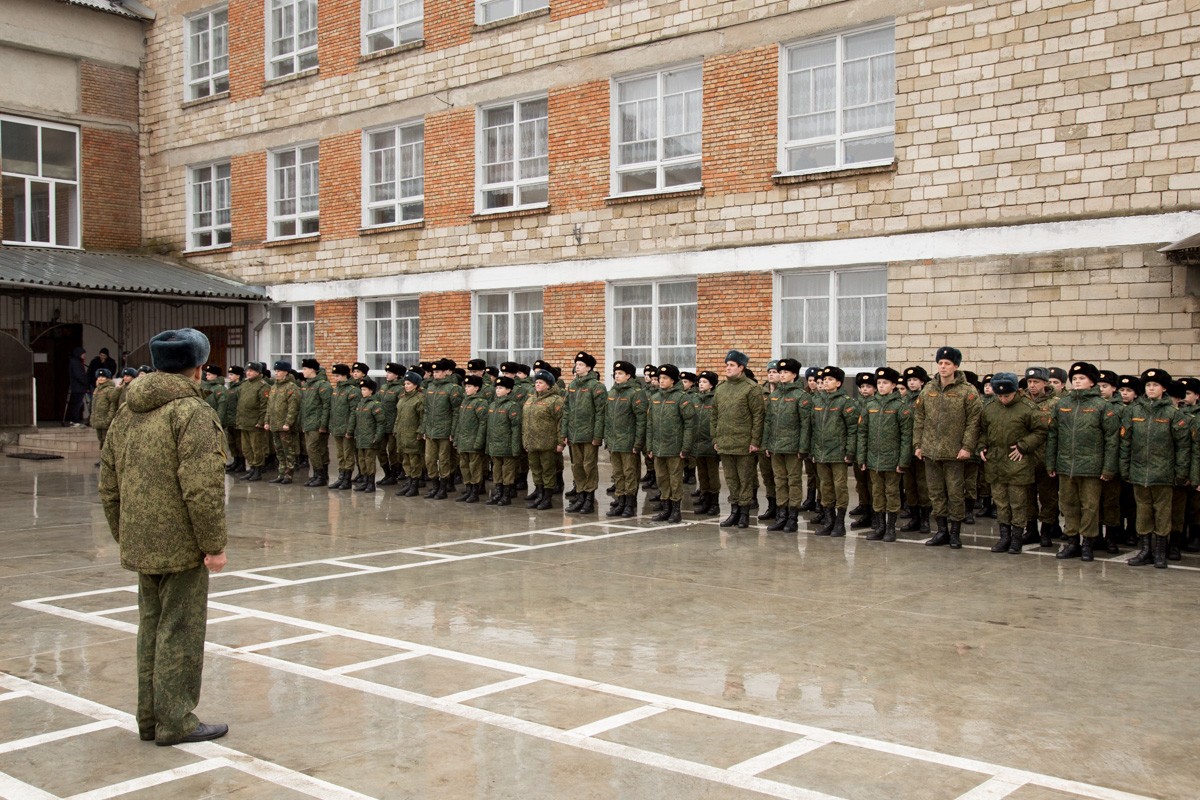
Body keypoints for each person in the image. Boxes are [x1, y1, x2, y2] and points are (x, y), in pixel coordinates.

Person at [98, 328, 228, 746]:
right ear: (199, 367)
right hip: (182, 543)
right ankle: (175, 721)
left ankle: (150, 718)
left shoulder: (127, 410)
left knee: (150, 628)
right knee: (180, 630)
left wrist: (124, 532)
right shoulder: (190, 412)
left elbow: (108, 481)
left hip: (141, 540)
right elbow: (202, 486)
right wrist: (214, 544)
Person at [1044, 362, 1120, 561]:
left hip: (1091, 467)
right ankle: (1072, 541)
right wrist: (1051, 463)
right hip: (1066, 465)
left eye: (1082, 378)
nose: (1077, 382)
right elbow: (1053, 435)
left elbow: (1112, 440)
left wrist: (1108, 468)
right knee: (1069, 504)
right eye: (1075, 379)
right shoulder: (1063, 404)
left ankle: (1088, 542)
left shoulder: (1102, 406)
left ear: (1092, 382)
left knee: (1090, 506)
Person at [912, 347, 982, 549]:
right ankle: (941, 531)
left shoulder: (967, 391)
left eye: (947, 363)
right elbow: (920, 418)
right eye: (940, 363)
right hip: (931, 451)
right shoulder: (928, 389)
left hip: (954, 453)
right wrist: (918, 444)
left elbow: (973, 421)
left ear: (956, 366)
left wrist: (967, 446)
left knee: (955, 493)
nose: (943, 367)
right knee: (935, 493)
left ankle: (955, 533)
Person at [1121, 368, 1191, 568]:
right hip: (1139, 472)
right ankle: (1145, 551)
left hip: (1163, 473)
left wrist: (1180, 473)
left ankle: (1160, 552)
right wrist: (1125, 468)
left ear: (1164, 389)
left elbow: (1183, 446)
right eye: (1148, 385)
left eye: (1155, 385)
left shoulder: (1172, 413)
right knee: (1142, 512)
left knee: (1162, 512)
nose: (1151, 388)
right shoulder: (1133, 411)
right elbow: (1125, 442)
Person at [977, 373, 1047, 554]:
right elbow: (984, 431)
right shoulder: (990, 408)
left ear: (1015, 391)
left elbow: (1040, 431)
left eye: (1006, 396)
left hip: (1018, 462)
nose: (1003, 399)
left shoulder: (1027, 408)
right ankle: (1004, 537)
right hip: (995, 462)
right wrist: (982, 446)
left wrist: (1023, 446)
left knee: (1017, 502)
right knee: (1001, 501)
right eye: (999, 396)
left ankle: (1017, 538)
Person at [856, 367, 912, 542]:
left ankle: (890, 528)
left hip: (892, 459)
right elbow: (862, 432)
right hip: (873, 459)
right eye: (878, 383)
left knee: (892, 493)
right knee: (877, 493)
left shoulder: (900, 407)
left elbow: (906, 437)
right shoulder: (870, 406)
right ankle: (879, 526)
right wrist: (862, 457)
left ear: (894, 385)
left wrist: (903, 461)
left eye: (885, 383)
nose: (881, 386)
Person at [713, 350, 764, 529]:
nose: (728, 368)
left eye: (731, 365)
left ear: (741, 368)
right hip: (725, 442)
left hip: (744, 444)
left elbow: (758, 416)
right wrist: (715, 438)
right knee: (731, 479)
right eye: (727, 365)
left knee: (745, 479)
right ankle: (734, 511)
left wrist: (755, 441)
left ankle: (744, 513)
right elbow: (714, 415)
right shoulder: (720, 389)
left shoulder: (752, 388)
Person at [808, 367, 858, 537]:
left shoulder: (845, 401)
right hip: (821, 453)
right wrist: (813, 451)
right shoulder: (817, 401)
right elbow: (812, 428)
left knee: (840, 487)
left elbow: (852, 429)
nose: (825, 382)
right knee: (825, 487)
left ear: (838, 383)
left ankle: (839, 523)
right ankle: (828, 521)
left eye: (830, 379)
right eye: (824, 379)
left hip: (838, 454)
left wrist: (850, 452)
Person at [646, 364, 695, 523]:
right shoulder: (655, 398)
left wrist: (685, 447)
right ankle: (665, 509)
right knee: (662, 478)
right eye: (660, 378)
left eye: (665, 378)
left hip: (675, 447)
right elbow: (650, 424)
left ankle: (675, 510)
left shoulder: (681, 398)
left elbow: (689, 424)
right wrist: (650, 446)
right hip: (659, 447)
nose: (661, 381)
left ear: (673, 380)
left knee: (675, 479)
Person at [562, 351, 607, 514]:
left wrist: (597, 435)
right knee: (577, 466)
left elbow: (601, 413)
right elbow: (566, 410)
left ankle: (589, 497)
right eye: (576, 364)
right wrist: (564, 432)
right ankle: (580, 495)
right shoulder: (573, 386)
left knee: (589, 466)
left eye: (580, 364)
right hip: (574, 434)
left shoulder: (597, 387)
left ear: (589, 367)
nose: (577, 367)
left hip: (588, 435)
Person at [604, 361, 647, 518]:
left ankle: (630, 503)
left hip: (628, 442)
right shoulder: (612, 393)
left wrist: (638, 443)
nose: (617, 376)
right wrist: (607, 439)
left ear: (629, 376)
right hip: (614, 442)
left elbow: (641, 421)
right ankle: (620, 501)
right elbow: (607, 419)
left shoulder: (635, 393)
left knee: (630, 473)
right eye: (615, 373)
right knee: (617, 474)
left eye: (620, 373)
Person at [420, 358, 464, 500]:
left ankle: (444, 487)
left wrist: (453, 431)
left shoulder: (453, 388)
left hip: (444, 430)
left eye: (438, 371)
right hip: (431, 431)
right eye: (434, 372)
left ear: (446, 372)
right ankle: (435, 486)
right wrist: (424, 429)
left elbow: (456, 412)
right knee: (429, 459)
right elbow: (426, 410)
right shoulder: (430, 388)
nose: (435, 374)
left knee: (444, 459)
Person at [522, 369, 564, 511]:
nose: (537, 385)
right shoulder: (531, 399)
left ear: (549, 385)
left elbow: (560, 422)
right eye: (536, 382)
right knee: (536, 470)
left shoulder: (555, 400)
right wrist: (525, 441)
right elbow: (525, 422)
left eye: (541, 382)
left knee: (548, 471)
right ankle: (539, 495)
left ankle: (547, 498)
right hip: (532, 443)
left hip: (547, 443)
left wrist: (560, 442)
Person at [484, 376, 521, 506]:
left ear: (509, 390)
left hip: (507, 445)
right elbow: (489, 428)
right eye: (497, 388)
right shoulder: (492, 405)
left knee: (508, 471)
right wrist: (488, 445)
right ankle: (498, 493)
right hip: (495, 445)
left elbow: (516, 428)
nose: (498, 390)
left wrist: (515, 447)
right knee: (496, 470)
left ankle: (506, 494)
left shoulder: (512, 406)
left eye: (501, 388)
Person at [452, 375, 490, 503]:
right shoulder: (465, 401)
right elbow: (459, 423)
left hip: (473, 441)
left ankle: (475, 491)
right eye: (465, 386)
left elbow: (483, 423)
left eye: (469, 387)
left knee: (475, 467)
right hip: (463, 441)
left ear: (477, 388)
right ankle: (468, 489)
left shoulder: (481, 402)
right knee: (464, 467)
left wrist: (479, 441)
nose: (466, 389)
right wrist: (457, 439)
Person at [265, 361, 300, 485]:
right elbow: (269, 406)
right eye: (276, 371)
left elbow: (293, 407)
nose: (277, 373)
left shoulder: (291, 387)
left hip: (285, 426)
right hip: (275, 424)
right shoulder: (274, 387)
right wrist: (267, 421)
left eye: (279, 371)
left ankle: (288, 474)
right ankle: (281, 473)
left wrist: (288, 423)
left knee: (288, 450)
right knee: (279, 450)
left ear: (286, 372)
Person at [347, 377, 384, 493]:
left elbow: (381, 422)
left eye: (364, 389)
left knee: (369, 461)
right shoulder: (360, 404)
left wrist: (377, 437)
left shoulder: (375, 405)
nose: (362, 392)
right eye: (361, 389)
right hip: (360, 438)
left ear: (371, 391)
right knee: (361, 461)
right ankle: (364, 481)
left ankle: (371, 483)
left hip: (370, 438)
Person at [299, 359, 332, 487]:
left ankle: (320, 475)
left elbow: (327, 406)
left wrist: (323, 424)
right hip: (308, 422)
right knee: (315, 449)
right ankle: (319, 475)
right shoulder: (307, 385)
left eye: (305, 369)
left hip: (317, 423)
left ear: (312, 369)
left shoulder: (323, 385)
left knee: (314, 449)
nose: (303, 372)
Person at [235, 362, 271, 482]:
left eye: (251, 370)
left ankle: (258, 470)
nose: (248, 373)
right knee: (246, 448)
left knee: (257, 448)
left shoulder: (263, 386)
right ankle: (251, 468)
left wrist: (261, 421)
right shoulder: (244, 385)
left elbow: (264, 406)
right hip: (244, 422)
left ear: (258, 372)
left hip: (255, 423)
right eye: (247, 370)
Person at [393, 370, 426, 498]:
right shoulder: (402, 399)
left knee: (414, 461)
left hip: (413, 435)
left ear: (416, 385)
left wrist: (419, 432)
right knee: (405, 461)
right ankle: (409, 481)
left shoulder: (419, 399)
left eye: (409, 384)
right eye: (405, 384)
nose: (406, 386)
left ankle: (414, 485)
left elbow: (423, 418)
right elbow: (398, 416)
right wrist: (396, 428)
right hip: (402, 435)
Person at [90, 368, 120, 465]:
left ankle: (108, 459)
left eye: (103, 377)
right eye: (99, 377)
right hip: (98, 420)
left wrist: (109, 418)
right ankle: (103, 458)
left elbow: (113, 403)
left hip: (105, 420)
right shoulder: (97, 389)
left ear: (108, 378)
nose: (101, 379)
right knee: (101, 440)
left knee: (106, 441)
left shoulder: (109, 389)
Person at [220, 366, 245, 474]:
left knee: (239, 443)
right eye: (229, 374)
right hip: (229, 420)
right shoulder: (230, 387)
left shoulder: (240, 388)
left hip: (236, 420)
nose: (229, 376)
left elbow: (241, 405)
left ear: (238, 376)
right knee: (232, 443)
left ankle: (242, 463)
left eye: (232, 374)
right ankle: (236, 461)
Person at [67, 346, 89, 426]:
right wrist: (86, 382)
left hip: (78, 387)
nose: (84, 355)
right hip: (78, 387)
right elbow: (79, 375)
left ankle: (74, 420)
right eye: (83, 354)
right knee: (76, 404)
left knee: (76, 404)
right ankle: (74, 420)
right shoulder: (76, 363)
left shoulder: (76, 362)